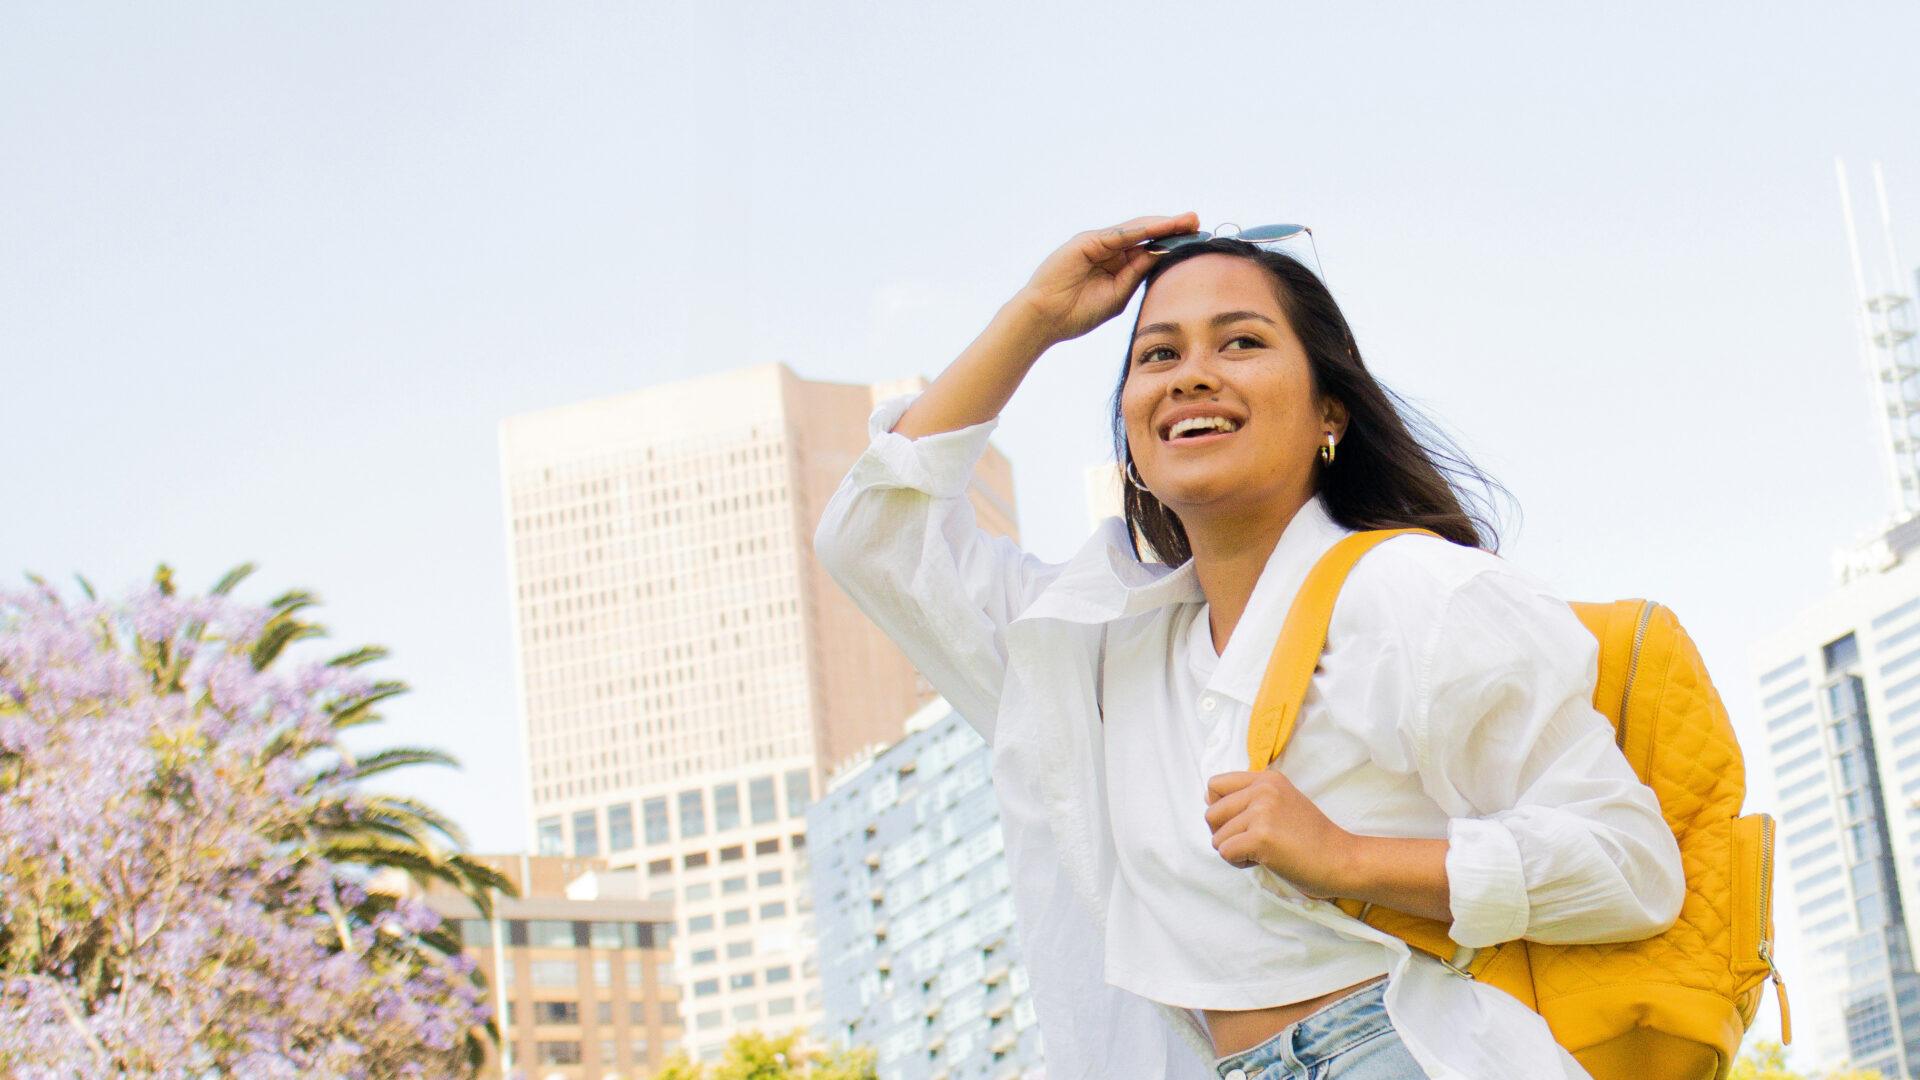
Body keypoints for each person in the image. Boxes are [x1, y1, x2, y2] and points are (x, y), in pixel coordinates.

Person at [811, 212, 1685, 1080]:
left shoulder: (1418, 594)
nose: (1192, 376)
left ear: (1328, 411)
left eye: (1240, 344)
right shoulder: (1096, 649)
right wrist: (1036, 317)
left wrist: (1347, 858)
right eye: (1159, 355)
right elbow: (875, 541)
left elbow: (1630, 865)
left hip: (1401, 1049)